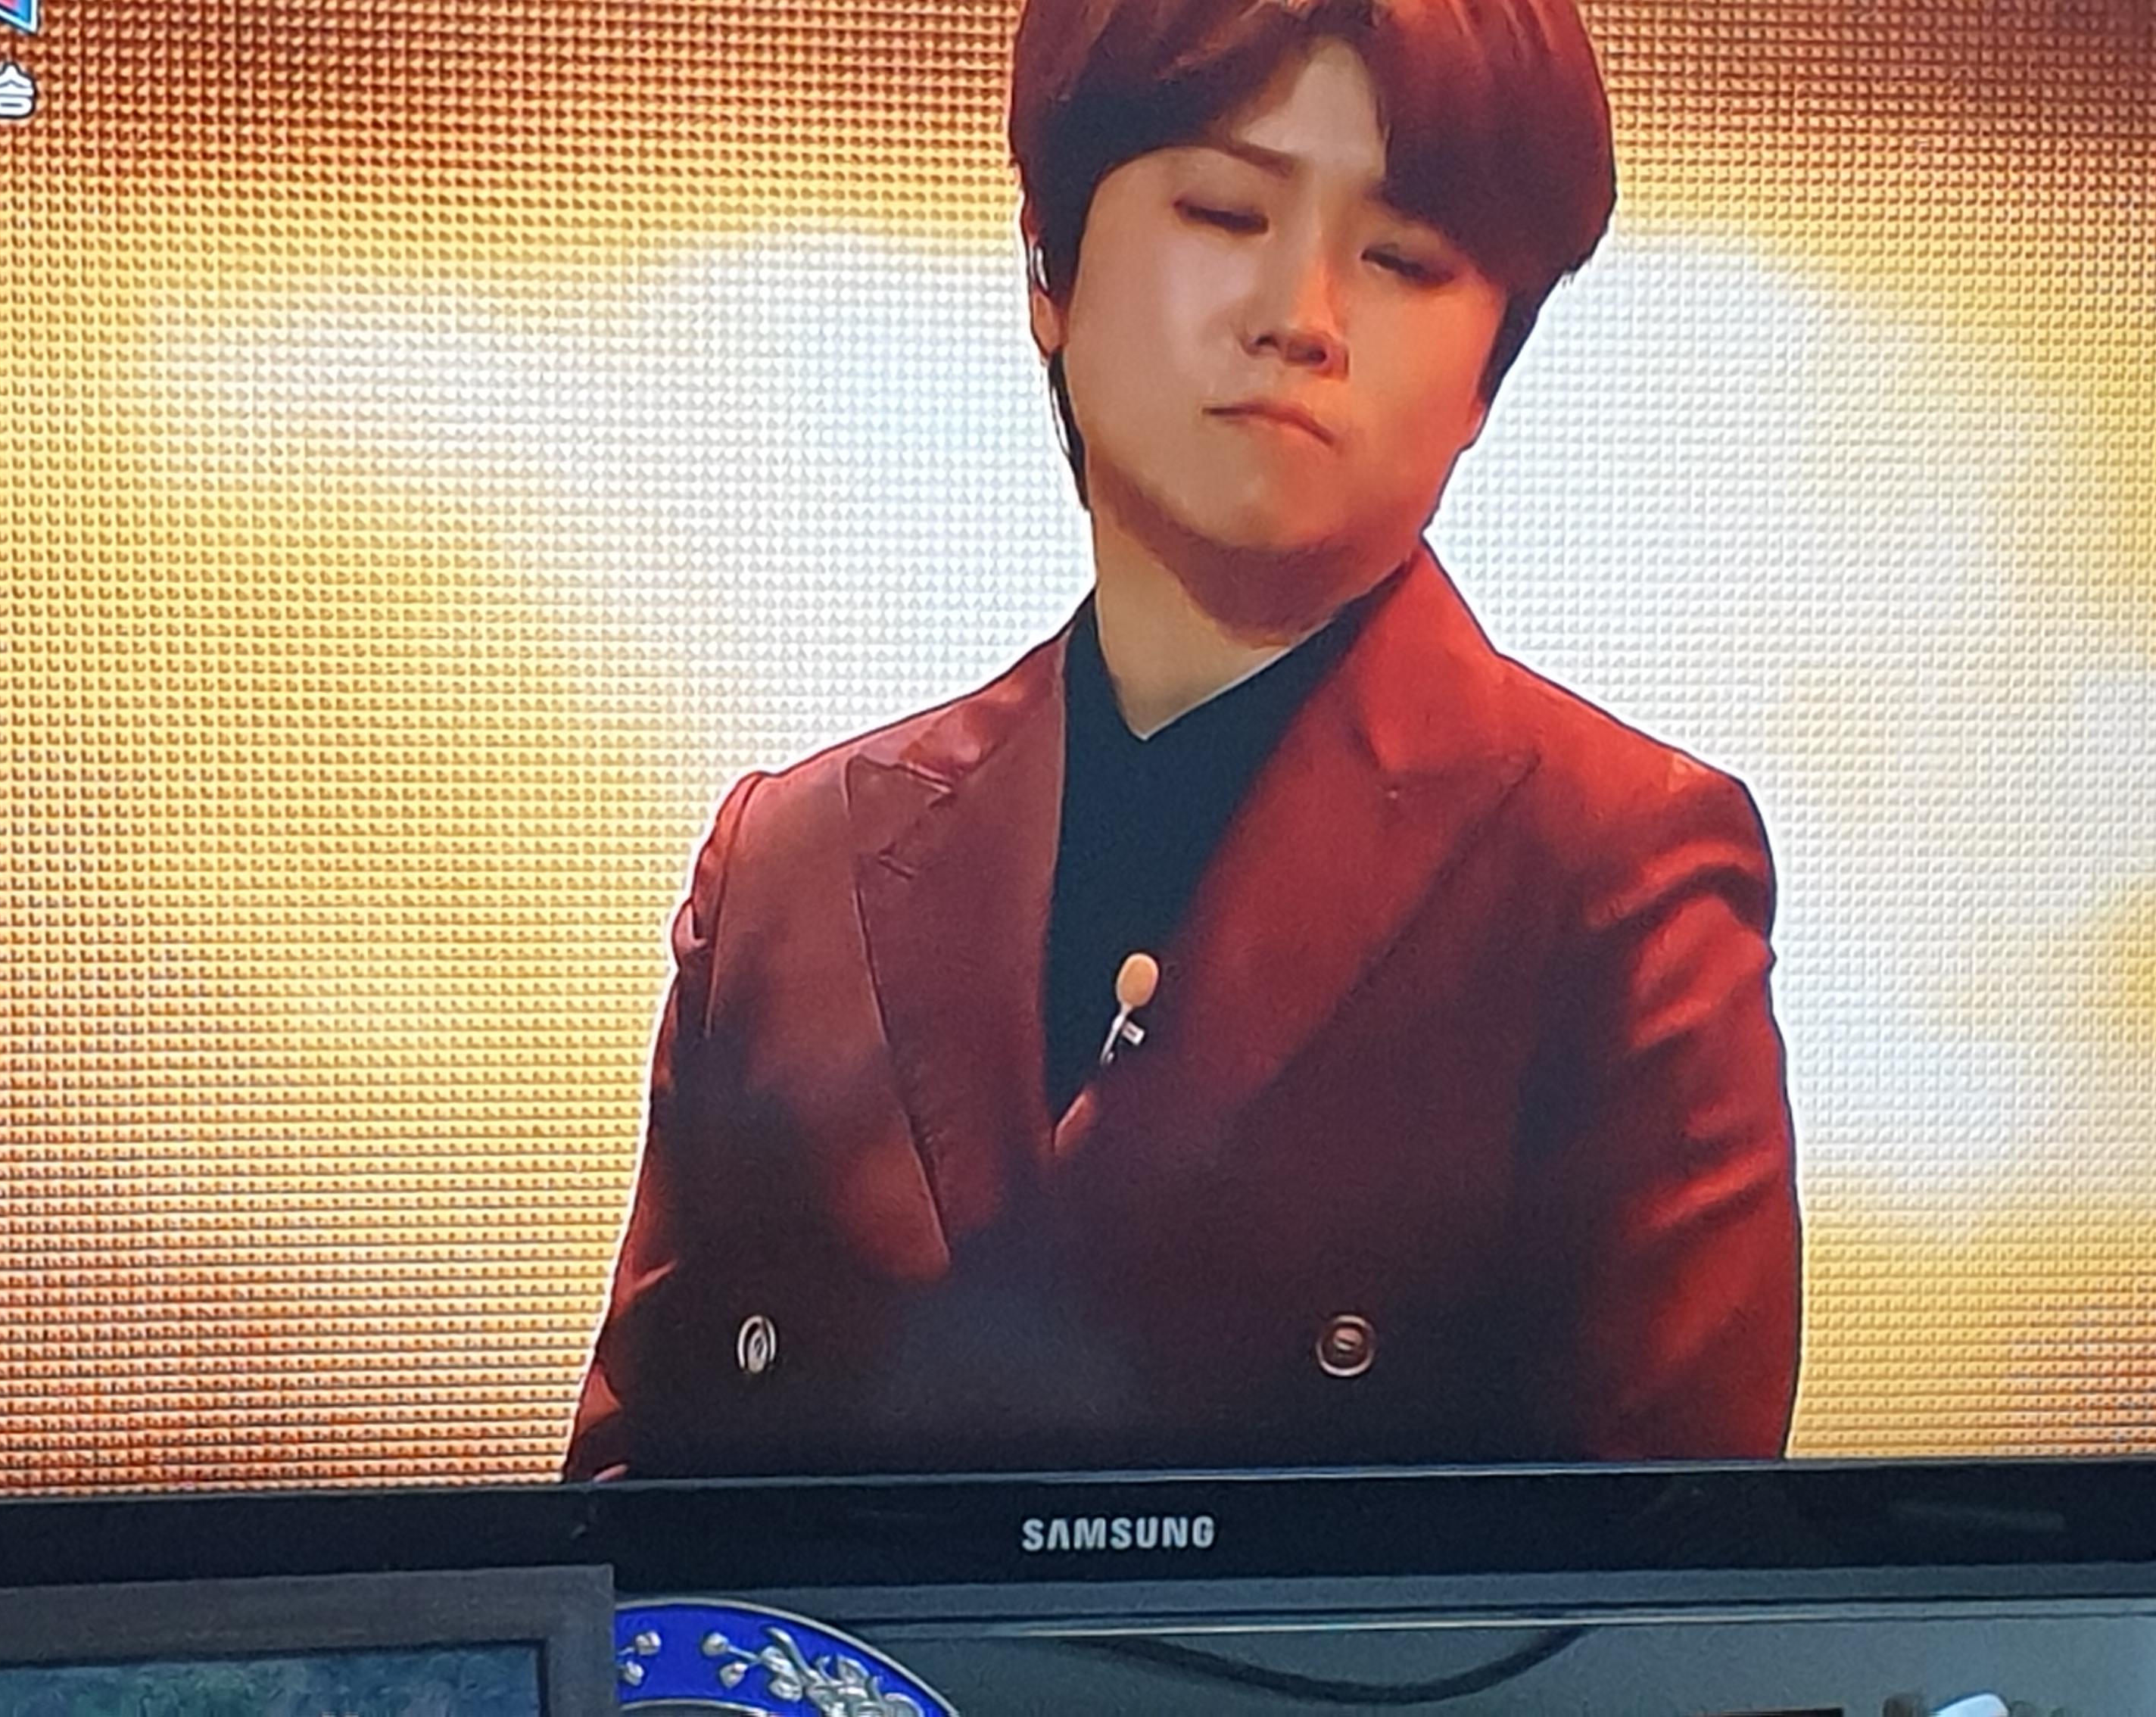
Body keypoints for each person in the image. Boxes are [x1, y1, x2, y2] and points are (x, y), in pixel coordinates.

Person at [565, 0, 1799, 1479]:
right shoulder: (790, 864)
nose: (1301, 315)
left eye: (1405, 258)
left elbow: (1669, 1579)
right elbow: (628, 1548)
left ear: (1490, 374)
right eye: (1224, 210)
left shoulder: (1620, 870)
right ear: (1051, 266)